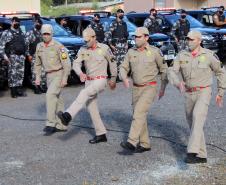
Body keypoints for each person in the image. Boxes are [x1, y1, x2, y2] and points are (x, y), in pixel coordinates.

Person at [167, 30, 226, 163]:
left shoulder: (209, 55)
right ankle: (202, 155)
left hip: (204, 91)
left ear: (199, 41)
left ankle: (192, 151)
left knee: (197, 116)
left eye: (192, 39)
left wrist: (221, 92)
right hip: (188, 93)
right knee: (193, 123)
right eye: (188, 39)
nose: (189, 41)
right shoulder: (182, 55)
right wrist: (178, 83)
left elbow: (221, 72)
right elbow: (171, 71)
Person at [57, 28, 117, 144]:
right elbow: (76, 64)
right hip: (89, 81)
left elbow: (113, 63)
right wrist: (80, 73)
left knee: (83, 93)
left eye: (87, 41)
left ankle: (68, 115)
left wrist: (113, 78)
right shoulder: (83, 49)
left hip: (100, 80)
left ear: (94, 37)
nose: (86, 43)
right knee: (92, 108)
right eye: (84, 41)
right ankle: (101, 134)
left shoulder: (104, 48)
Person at [119, 27, 168, 153]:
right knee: (140, 115)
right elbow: (123, 67)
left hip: (150, 87)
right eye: (135, 36)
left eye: (139, 37)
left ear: (146, 37)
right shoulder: (131, 52)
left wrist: (162, 88)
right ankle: (145, 144)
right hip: (136, 88)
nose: (136, 39)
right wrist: (124, 78)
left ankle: (131, 141)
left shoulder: (155, 52)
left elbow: (164, 70)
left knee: (138, 113)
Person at [34, 24, 71, 136]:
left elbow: (67, 63)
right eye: (43, 34)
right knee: (58, 100)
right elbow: (37, 64)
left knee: (49, 95)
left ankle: (50, 123)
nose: (45, 36)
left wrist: (65, 78)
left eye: (47, 34)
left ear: (52, 34)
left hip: (58, 74)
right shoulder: (39, 46)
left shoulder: (59, 46)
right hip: (48, 76)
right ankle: (62, 125)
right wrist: (38, 77)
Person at [0, 17, 27, 98]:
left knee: (20, 74)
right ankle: (13, 91)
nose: (16, 23)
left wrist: (24, 55)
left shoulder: (21, 33)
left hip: (21, 57)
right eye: (15, 22)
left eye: (18, 22)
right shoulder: (6, 33)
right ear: (12, 22)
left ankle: (19, 90)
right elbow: (1, 46)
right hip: (12, 56)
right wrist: (5, 57)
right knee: (12, 74)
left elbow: (24, 45)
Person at [25, 18, 46, 94]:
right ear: (34, 24)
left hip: (42, 55)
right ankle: (36, 87)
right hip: (34, 55)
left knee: (43, 72)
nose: (39, 25)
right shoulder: (30, 33)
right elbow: (26, 45)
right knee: (35, 72)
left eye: (40, 24)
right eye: (37, 24)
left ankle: (42, 86)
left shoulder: (41, 33)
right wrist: (28, 55)